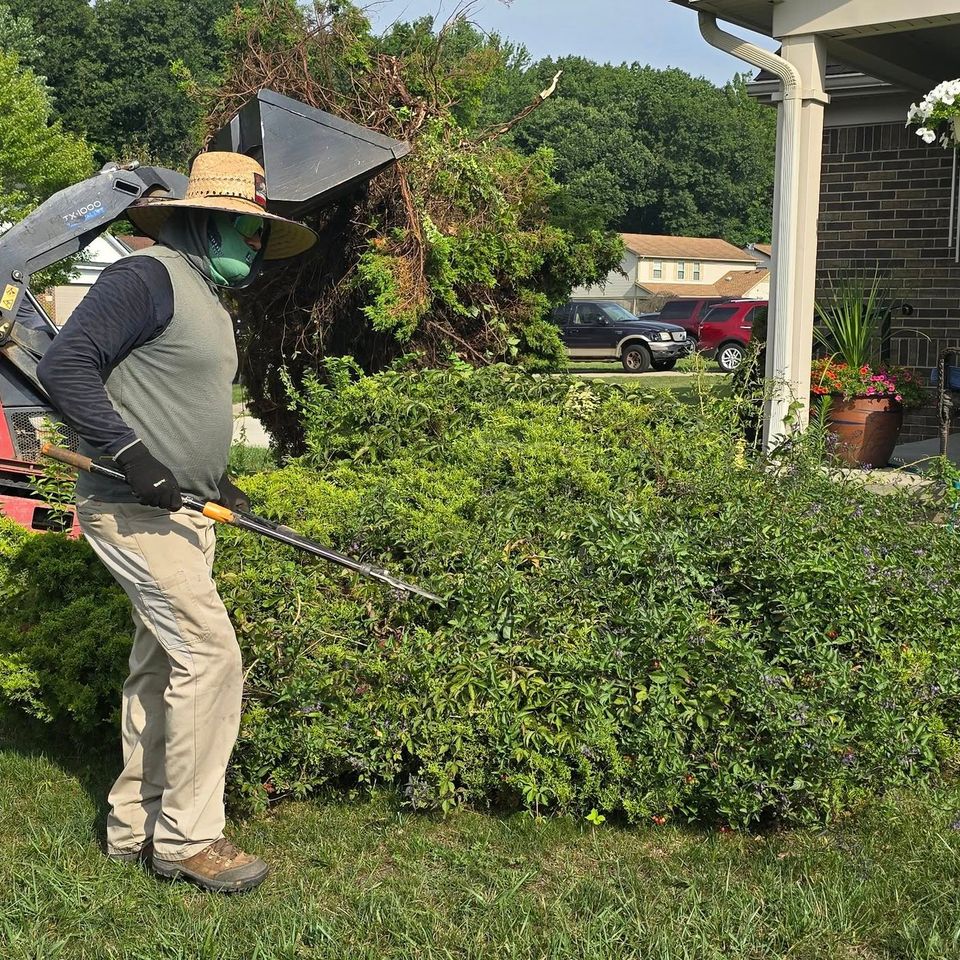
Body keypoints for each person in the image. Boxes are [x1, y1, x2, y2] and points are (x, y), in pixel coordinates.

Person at [37, 152, 317, 893]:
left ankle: (134, 829)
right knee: (211, 657)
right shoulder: (146, 277)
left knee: (162, 667)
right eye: (246, 230)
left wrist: (215, 479)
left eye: (261, 234)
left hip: (182, 513)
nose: (256, 245)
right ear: (203, 220)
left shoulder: (200, 294)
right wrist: (132, 458)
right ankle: (190, 841)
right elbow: (65, 366)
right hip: (133, 510)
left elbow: (171, 402)